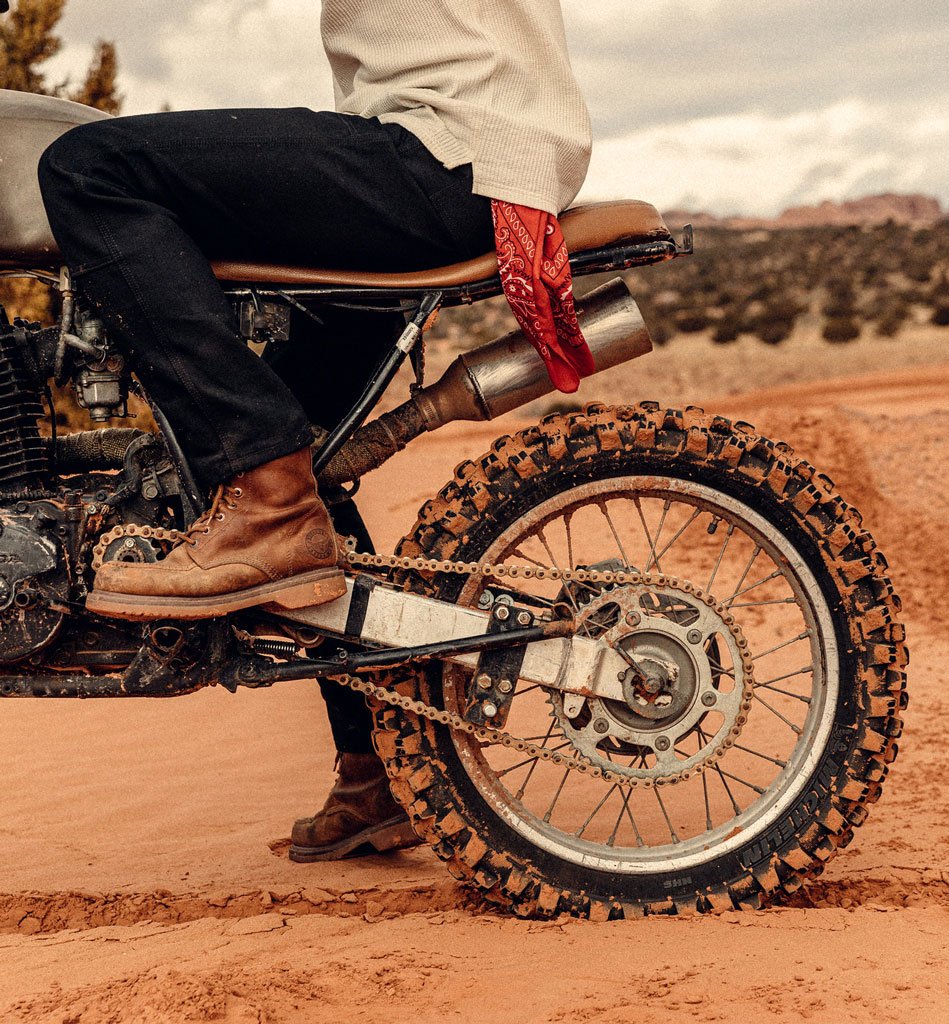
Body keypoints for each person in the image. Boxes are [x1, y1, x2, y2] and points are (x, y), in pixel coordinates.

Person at [37, 0, 591, 861]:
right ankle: (382, 768)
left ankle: (265, 493)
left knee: (86, 168)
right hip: (460, 148)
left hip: (445, 150)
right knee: (314, 462)